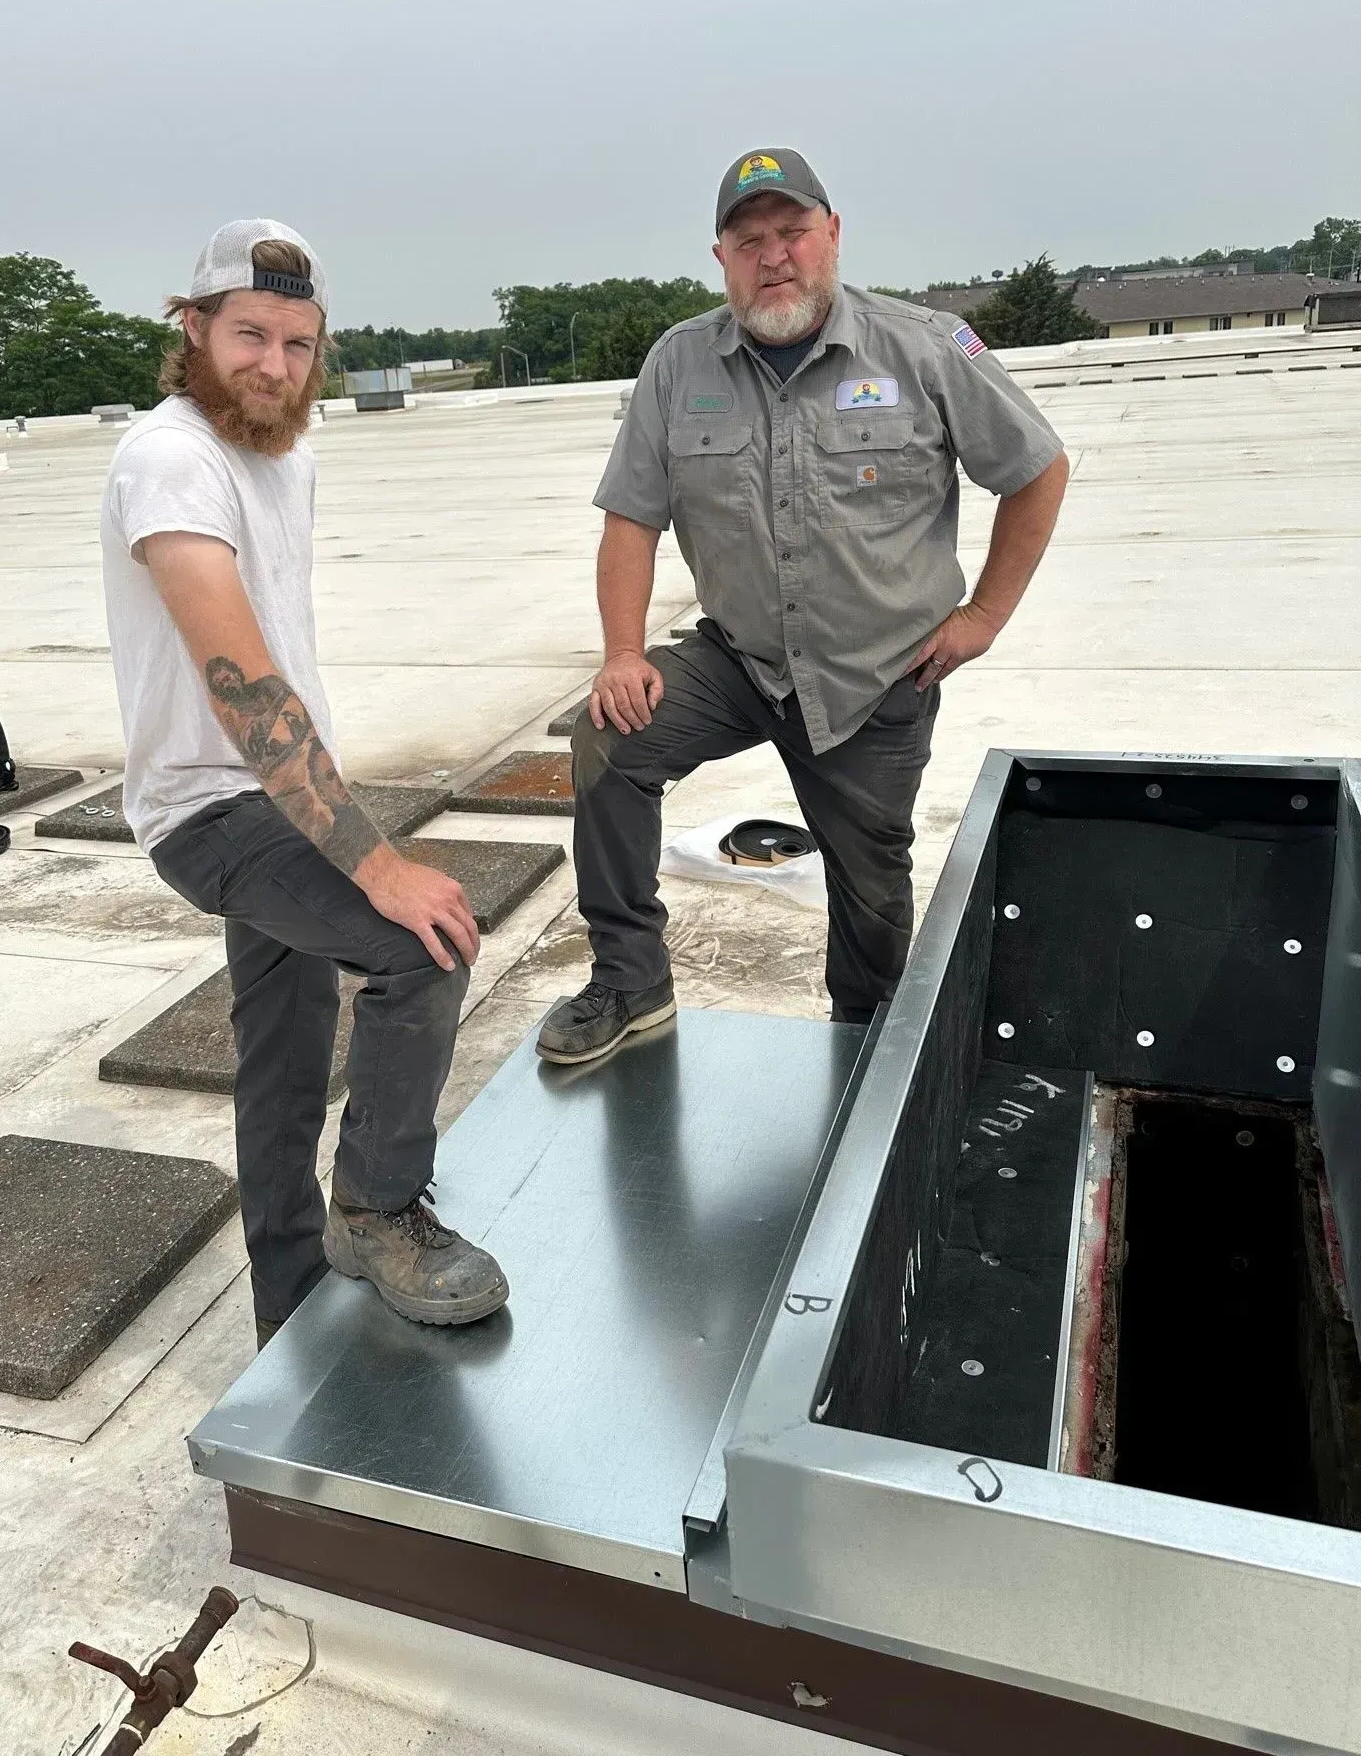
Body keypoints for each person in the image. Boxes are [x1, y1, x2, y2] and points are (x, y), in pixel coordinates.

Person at [539, 149, 1068, 1064]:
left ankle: (863, 1049)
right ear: (722, 258)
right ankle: (630, 980)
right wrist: (622, 653)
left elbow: (1037, 469)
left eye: (792, 232)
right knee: (609, 739)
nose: (774, 257)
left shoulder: (926, 347)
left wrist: (982, 617)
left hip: (877, 676)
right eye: (750, 242)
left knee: (871, 889)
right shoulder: (678, 363)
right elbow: (630, 520)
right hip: (739, 661)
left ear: (833, 234)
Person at [100, 219, 508, 1343]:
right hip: (210, 808)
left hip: (274, 801)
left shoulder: (285, 458)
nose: (274, 365)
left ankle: (290, 1309)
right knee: (421, 949)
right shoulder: (170, 460)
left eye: (297, 343)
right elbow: (240, 683)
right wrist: (375, 864)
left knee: (282, 1058)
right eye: (249, 336)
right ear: (193, 329)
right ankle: (377, 1210)